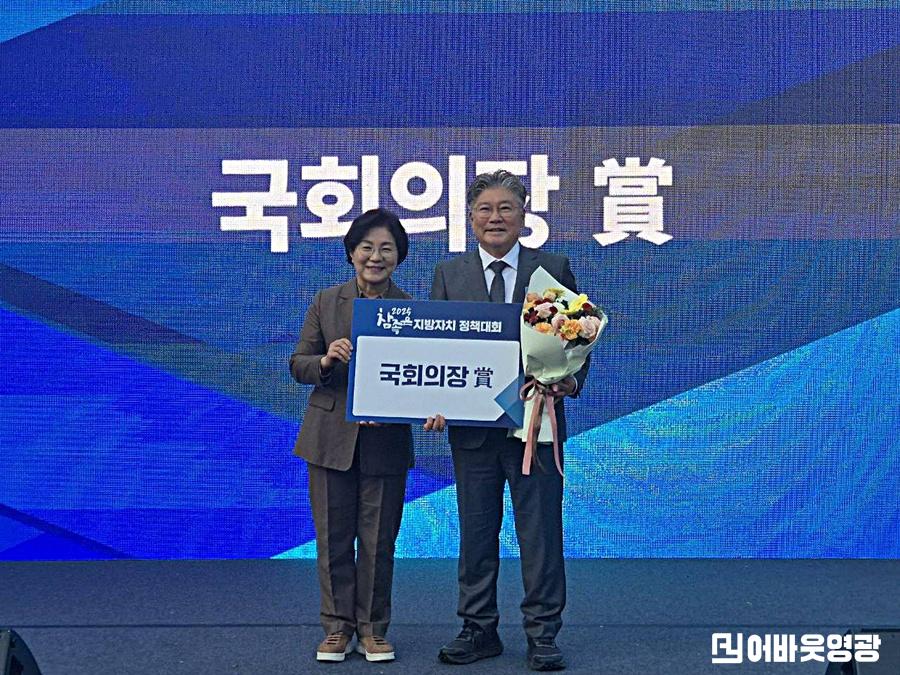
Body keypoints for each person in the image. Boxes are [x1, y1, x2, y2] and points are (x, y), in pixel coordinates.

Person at [425, 170, 589, 671]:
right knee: (476, 533)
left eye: (505, 208)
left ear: (523, 215)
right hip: (473, 431)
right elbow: (436, 349)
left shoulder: (552, 268)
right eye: (485, 209)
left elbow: (574, 339)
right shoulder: (449, 274)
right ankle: (478, 629)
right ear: (470, 218)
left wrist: (568, 383)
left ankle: (543, 634)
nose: (495, 218)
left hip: (536, 425)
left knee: (540, 534)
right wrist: (433, 399)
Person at [290, 208, 413, 663]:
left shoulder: (412, 311)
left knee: (379, 543)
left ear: (399, 256)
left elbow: (421, 378)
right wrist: (325, 360)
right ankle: (337, 628)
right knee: (333, 540)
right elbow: (298, 363)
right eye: (367, 247)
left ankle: (373, 629)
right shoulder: (326, 302)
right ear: (351, 252)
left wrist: (419, 408)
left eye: (386, 249)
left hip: (386, 442)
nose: (375, 257)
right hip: (329, 439)